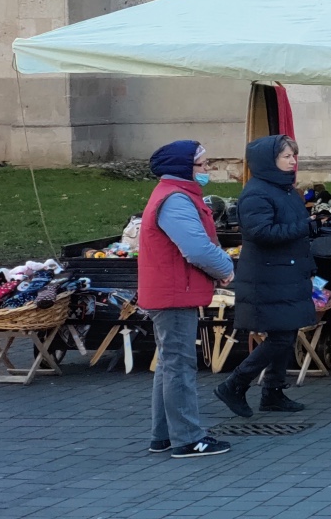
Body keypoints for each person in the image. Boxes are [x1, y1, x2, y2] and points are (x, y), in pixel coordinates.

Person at [139, 140, 235, 458]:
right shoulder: (176, 199)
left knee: (169, 364)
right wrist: (225, 267)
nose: (207, 169)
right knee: (179, 365)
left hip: (168, 291)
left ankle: (164, 435)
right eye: (202, 164)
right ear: (183, 168)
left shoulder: (172, 195)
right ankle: (188, 438)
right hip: (174, 294)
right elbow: (195, 248)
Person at [216, 135, 317, 417]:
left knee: (288, 331)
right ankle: (234, 384)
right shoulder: (257, 193)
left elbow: (292, 227)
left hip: (287, 273)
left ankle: (273, 392)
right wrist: (303, 227)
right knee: (280, 337)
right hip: (268, 276)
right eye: (287, 157)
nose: (293, 161)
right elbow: (260, 233)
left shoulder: (284, 190)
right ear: (268, 161)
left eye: (294, 156)